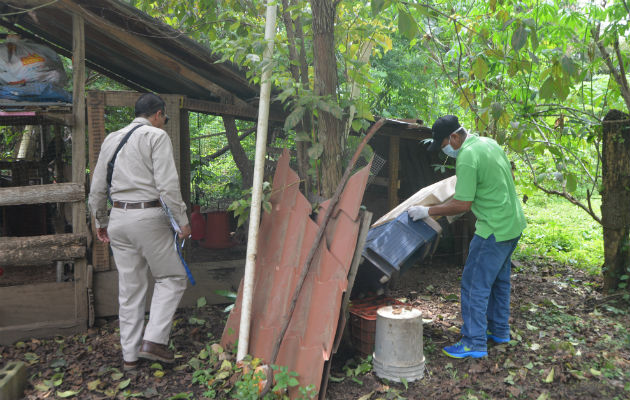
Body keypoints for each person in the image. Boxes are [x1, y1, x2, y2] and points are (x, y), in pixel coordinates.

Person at [408, 115, 526, 359]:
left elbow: (462, 203)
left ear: (454, 137)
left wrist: (427, 211)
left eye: (443, 146)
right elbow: (505, 180)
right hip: (513, 223)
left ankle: (474, 342)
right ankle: (500, 331)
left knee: (474, 284)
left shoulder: (467, 157)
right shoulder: (489, 143)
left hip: (493, 229)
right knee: (499, 281)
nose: (445, 152)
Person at [89, 93, 192, 370]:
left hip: (118, 219)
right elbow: (168, 186)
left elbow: (97, 186)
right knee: (172, 277)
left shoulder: (112, 138)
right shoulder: (156, 137)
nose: (165, 123)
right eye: (165, 119)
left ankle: (130, 357)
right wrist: (182, 221)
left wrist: (100, 221)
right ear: (158, 114)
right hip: (148, 217)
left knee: (130, 289)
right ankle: (155, 341)